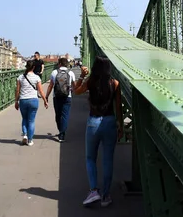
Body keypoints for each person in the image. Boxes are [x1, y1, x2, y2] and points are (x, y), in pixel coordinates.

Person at [74, 56, 124, 207]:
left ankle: (94, 191)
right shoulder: (115, 83)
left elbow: (76, 91)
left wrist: (82, 76)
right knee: (108, 160)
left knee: (90, 158)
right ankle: (106, 196)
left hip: (93, 122)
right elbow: (118, 107)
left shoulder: (91, 81)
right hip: (109, 122)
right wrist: (120, 125)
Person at [15, 60, 48, 146]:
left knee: (24, 119)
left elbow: (17, 91)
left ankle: (25, 135)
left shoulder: (20, 77)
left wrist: (16, 101)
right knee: (31, 121)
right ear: (33, 67)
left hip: (23, 100)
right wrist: (45, 100)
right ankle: (30, 140)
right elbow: (40, 91)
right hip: (33, 100)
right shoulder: (37, 77)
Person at [45, 57, 75, 142]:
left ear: (59, 64)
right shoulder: (71, 73)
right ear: (67, 64)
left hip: (56, 96)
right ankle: (62, 133)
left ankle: (60, 130)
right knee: (65, 115)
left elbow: (51, 85)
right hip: (67, 96)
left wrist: (46, 96)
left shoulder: (54, 72)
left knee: (58, 115)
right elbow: (74, 85)